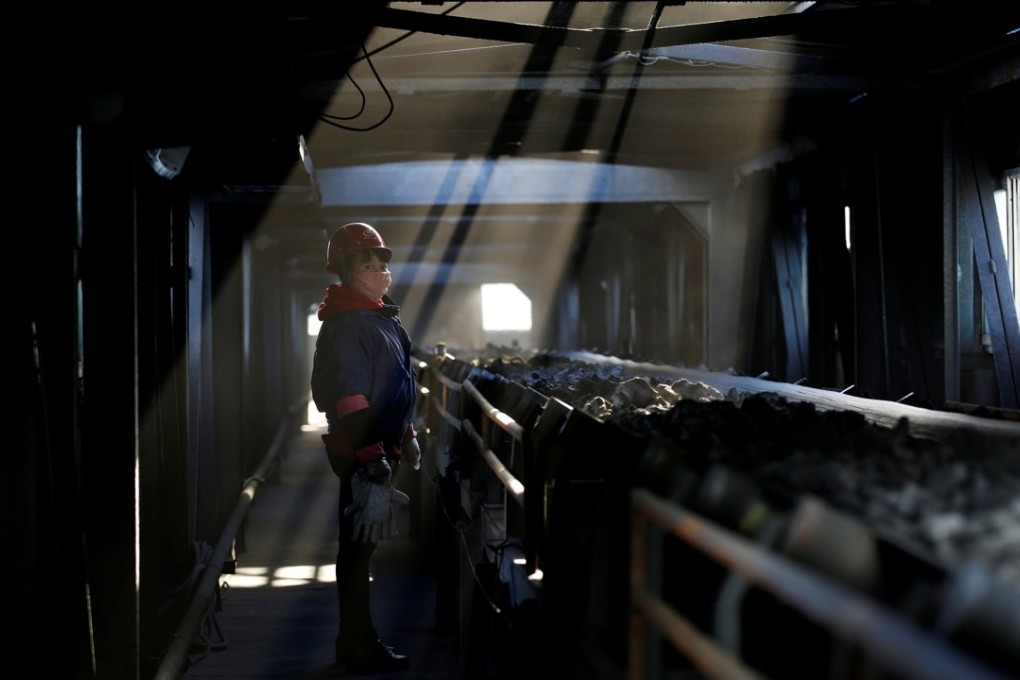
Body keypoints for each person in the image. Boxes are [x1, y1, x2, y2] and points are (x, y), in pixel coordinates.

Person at [310, 221, 421, 674]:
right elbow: (350, 397)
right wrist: (373, 457)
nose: (380, 273)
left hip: (378, 446)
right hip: (361, 451)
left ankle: (357, 640)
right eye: (369, 265)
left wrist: (406, 434)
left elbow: (394, 384)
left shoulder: (378, 317)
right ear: (346, 272)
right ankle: (356, 644)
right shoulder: (350, 324)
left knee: (362, 548)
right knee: (357, 551)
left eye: (382, 265)